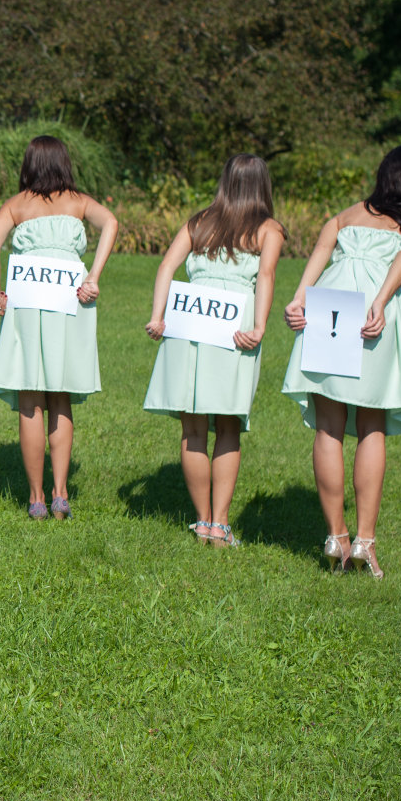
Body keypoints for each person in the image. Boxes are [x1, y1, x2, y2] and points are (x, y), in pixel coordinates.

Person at [282, 146, 401, 577]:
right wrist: (381, 302)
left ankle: (336, 536)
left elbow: (320, 248)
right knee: (372, 425)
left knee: (328, 426)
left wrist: (299, 298)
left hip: (329, 306)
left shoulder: (348, 213)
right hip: (370, 315)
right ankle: (364, 543)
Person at [142, 154, 285, 547]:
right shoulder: (268, 229)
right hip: (233, 330)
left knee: (192, 428)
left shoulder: (199, 223)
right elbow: (267, 276)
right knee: (227, 426)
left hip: (188, 325)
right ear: (262, 186)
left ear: (224, 182)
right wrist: (259, 327)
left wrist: (159, 317)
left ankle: (202, 520)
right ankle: (220, 525)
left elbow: (166, 267)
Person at [0, 136, 118, 520]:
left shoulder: (17, 203)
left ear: (29, 163)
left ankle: (36, 498)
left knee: (30, 400)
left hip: (27, 301)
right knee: (60, 396)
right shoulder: (78, 201)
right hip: (68, 301)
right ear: (64, 163)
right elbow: (111, 222)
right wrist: (93, 275)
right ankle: (61, 493)